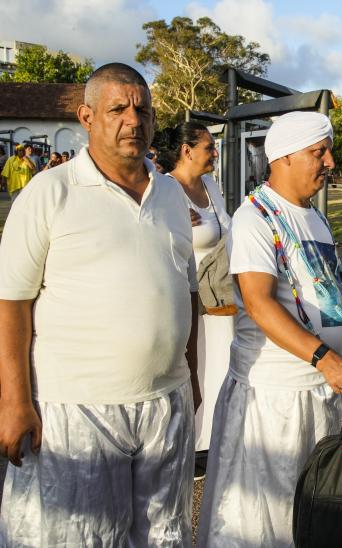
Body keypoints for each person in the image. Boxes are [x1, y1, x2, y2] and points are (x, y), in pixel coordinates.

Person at [0, 62, 201, 546]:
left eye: (143, 109)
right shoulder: (50, 192)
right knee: (78, 537)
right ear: (87, 117)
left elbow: (186, 290)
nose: (134, 120)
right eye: (118, 109)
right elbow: (11, 304)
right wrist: (14, 402)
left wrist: (191, 377)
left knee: (162, 535)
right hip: (77, 409)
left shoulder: (171, 193)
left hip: (164, 406)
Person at [199, 111, 342, 547]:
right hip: (273, 398)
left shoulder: (315, 216)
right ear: (285, 156)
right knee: (262, 515)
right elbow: (258, 302)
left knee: (305, 511)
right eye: (319, 152)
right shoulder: (256, 217)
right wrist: (325, 355)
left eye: (328, 150)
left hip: (316, 389)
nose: (330, 161)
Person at [164, 121, 232, 479]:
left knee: (220, 369)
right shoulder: (166, 190)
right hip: (191, 302)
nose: (215, 154)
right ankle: (190, 448)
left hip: (221, 299)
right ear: (187, 150)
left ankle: (213, 440)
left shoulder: (209, 185)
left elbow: (226, 224)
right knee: (196, 370)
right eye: (209, 147)